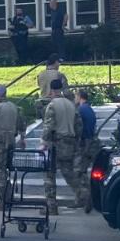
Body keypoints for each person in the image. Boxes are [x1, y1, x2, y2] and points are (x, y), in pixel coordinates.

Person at [41, 79, 83, 215]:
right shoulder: (71, 104)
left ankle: (51, 206)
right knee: (68, 172)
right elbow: (79, 125)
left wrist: (44, 142)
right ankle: (83, 195)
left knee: (49, 175)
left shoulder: (52, 105)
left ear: (51, 90)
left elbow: (48, 126)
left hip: (56, 143)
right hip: (70, 142)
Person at [74, 89, 99, 214]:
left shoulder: (81, 110)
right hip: (92, 142)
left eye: (75, 96)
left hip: (85, 143)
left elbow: (79, 127)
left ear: (79, 97)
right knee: (82, 171)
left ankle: (86, 198)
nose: (75, 99)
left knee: (79, 171)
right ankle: (83, 198)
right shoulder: (89, 109)